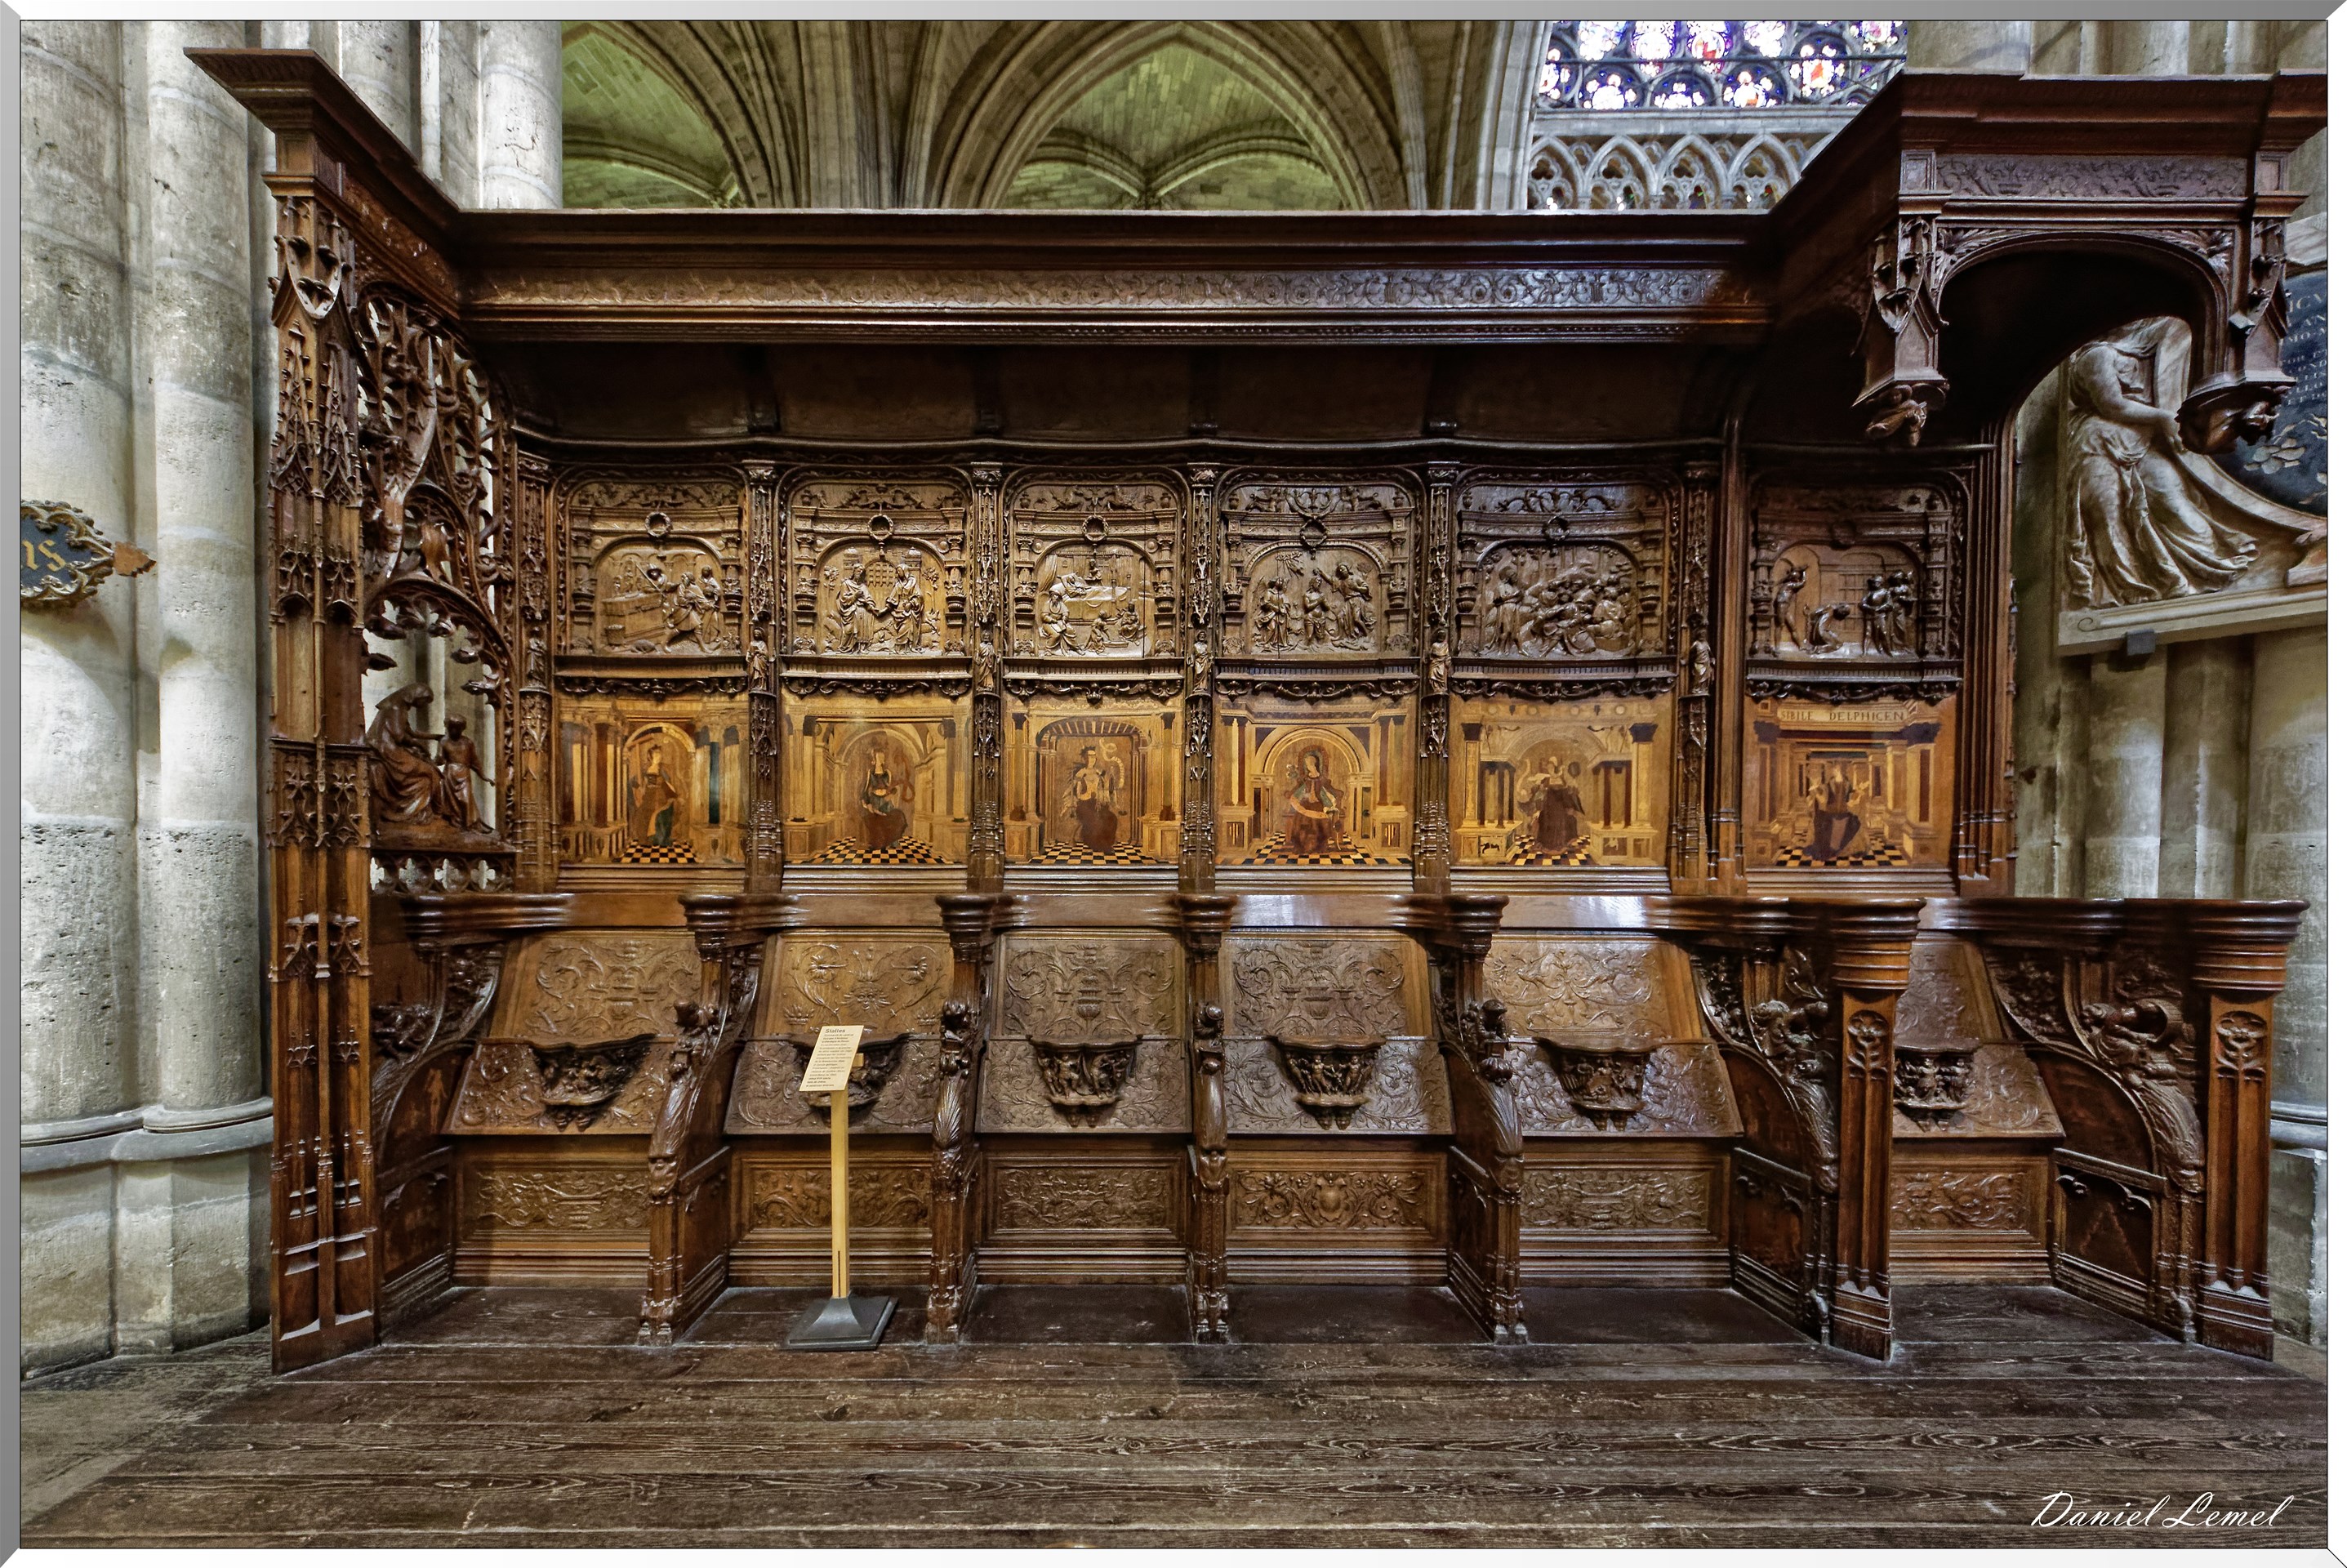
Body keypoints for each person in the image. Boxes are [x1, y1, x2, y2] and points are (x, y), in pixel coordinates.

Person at [2067, 318, 2258, 605]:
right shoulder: (2097, 355)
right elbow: (2112, 405)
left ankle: (2207, 571)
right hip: (2099, 445)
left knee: (2172, 499)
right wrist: (2163, 417)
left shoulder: (2152, 344)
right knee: (2109, 516)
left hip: (2143, 443)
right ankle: (2129, 590)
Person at [367, 682, 448, 825]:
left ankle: (426, 812)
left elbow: (411, 732)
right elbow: (400, 737)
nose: (423, 705)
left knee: (428, 771)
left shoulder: (399, 707)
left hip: (391, 750)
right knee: (429, 771)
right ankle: (433, 813)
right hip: (390, 752)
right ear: (417, 695)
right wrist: (419, 746)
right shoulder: (396, 708)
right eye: (424, 701)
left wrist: (435, 737)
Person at [1516, 753, 1586, 855]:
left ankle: (1561, 844)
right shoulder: (1546, 779)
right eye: (1548, 767)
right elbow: (1538, 792)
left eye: (1551, 766)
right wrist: (1531, 791)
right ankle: (1545, 845)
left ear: (1555, 767)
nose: (1549, 768)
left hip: (1559, 807)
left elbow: (1565, 794)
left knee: (1562, 822)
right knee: (1544, 822)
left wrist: (1571, 802)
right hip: (1548, 807)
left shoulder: (1561, 779)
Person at [1281, 746, 1345, 855]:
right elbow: (1299, 791)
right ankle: (1301, 846)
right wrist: (1297, 797)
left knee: (1318, 821)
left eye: (1309, 764)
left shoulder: (1321, 779)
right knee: (1300, 819)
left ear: (1313, 764)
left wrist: (1330, 805)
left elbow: (1326, 792)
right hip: (1305, 804)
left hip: (1318, 804)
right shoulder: (1305, 779)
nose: (1307, 766)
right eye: (1306, 764)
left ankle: (1319, 846)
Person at [1801, 766, 1866, 861]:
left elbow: (1850, 800)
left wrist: (1859, 793)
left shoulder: (1847, 784)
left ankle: (1837, 850)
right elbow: (1823, 797)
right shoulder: (1829, 784)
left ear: (1840, 771)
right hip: (1830, 812)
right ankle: (1830, 851)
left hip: (1843, 812)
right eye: (1833, 769)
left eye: (1835, 770)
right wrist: (1816, 789)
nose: (1833, 771)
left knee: (1850, 827)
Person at [1066, 744, 1122, 851]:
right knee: (1096, 820)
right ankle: (1099, 845)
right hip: (1084, 804)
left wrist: (1110, 780)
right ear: (1085, 758)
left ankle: (1107, 841)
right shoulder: (1081, 773)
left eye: (1094, 756)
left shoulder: (1099, 772)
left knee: (1111, 818)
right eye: (1090, 756)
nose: (1092, 759)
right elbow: (1076, 792)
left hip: (1096, 803)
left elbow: (1105, 784)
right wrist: (1083, 796)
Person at [439, 715, 488, 832]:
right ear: (448, 728)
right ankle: (456, 826)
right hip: (450, 775)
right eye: (451, 728)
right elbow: (440, 758)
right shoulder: (444, 741)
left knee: (466, 800)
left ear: (462, 729)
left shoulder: (468, 742)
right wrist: (435, 760)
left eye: (457, 728)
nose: (454, 731)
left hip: (464, 774)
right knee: (451, 803)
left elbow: (474, 761)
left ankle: (470, 825)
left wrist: (484, 777)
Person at [628, 746, 682, 847]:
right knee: (643, 815)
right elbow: (633, 782)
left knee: (662, 814)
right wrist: (640, 788)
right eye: (656, 754)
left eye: (659, 754)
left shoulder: (663, 770)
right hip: (649, 796)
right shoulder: (645, 769)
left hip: (661, 796)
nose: (659, 756)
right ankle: (646, 840)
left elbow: (668, 784)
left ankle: (660, 839)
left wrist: (674, 794)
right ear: (650, 756)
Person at [858, 753, 908, 849]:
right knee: (877, 822)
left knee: (891, 819)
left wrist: (891, 794)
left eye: (882, 757)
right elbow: (866, 788)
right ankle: (879, 843)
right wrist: (867, 803)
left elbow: (892, 787)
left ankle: (891, 841)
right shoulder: (871, 772)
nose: (881, 758)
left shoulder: (887, 772)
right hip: (875, 800)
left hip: (886, 800)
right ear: (875, 759)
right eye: (878, 756)